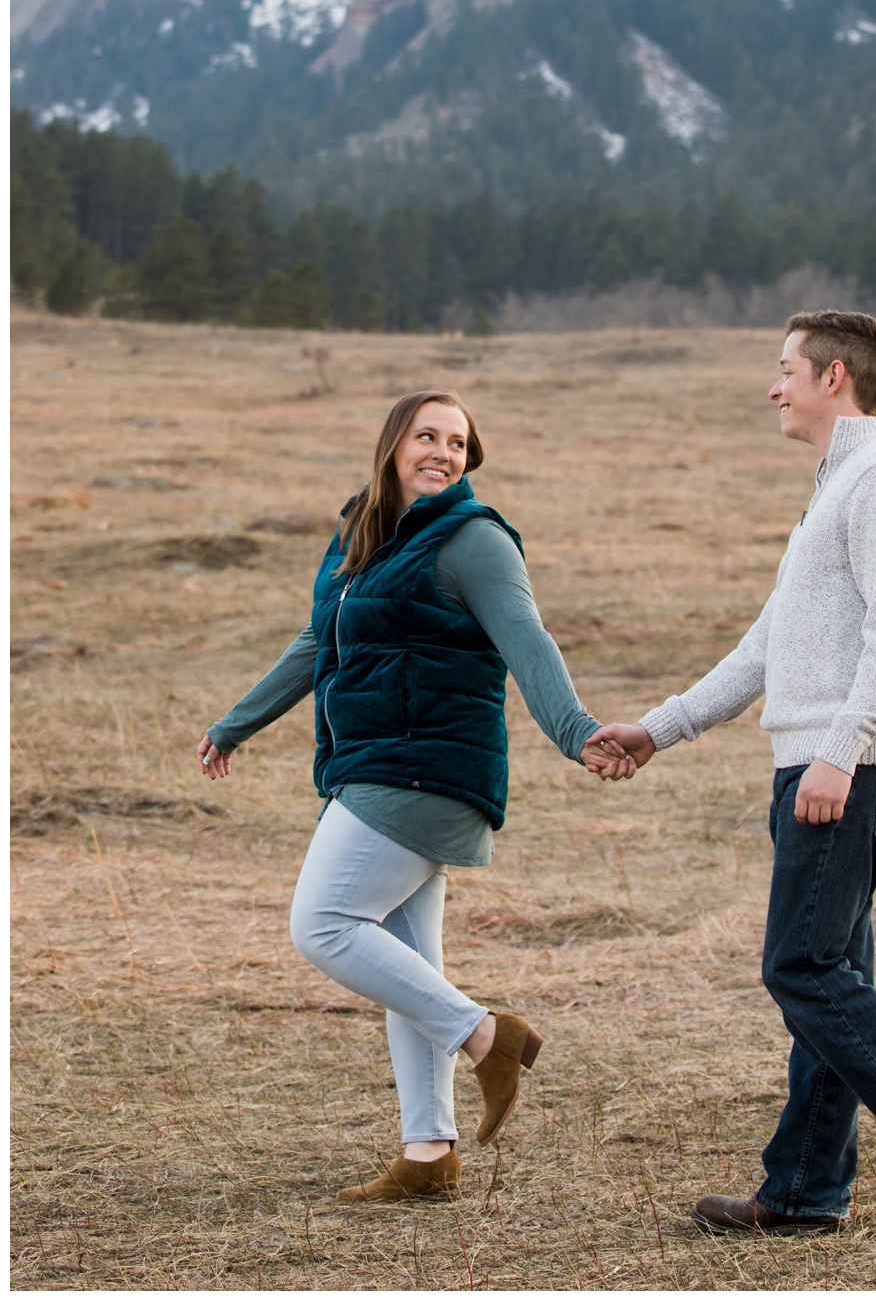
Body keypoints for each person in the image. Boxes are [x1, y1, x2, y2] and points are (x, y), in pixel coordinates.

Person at [583, 310, 876, 1240]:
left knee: (802, 968)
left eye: (785, 368)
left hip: (853, 769)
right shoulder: (838, 483)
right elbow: (769, 644)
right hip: (824, 764)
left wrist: (839, 751)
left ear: (835, 377)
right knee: (833, 976)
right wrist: (660, 729)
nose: (773, 385)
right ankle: (803, 1192)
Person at [200, 389, 632, 1204]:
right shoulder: (360, 533)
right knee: (409, 966)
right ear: (392, 444)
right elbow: (315, 641)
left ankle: (485, 1035)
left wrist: (576, 732)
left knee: (323, 923)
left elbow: (527, 641)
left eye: (458, 443)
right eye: (427, 436)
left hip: (425, 771)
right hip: (370, 761)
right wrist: (236, 724)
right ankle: (429, 1152)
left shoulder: (473, 541)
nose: (442, 452)